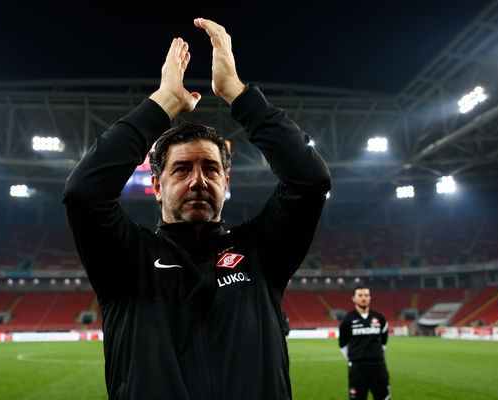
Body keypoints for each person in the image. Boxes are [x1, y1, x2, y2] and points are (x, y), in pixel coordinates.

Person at [63, 17, 331, 399]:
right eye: (182, 169)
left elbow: (310, 179)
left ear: (226, 182)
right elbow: (84, 192)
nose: (198, 181)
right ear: (157, 187)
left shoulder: (261, 251)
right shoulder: (127, 258)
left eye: (211, 168)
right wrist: (164, 103)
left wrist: (237, 93)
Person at [338, 286, 390, 400]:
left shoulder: (380, 318)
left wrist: (375, 354)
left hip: (378, 367)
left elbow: (384, 341)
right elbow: (342, 344)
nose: (364, 298)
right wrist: (355, 359)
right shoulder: (347, 320)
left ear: (370, 297)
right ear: (353, 298)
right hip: (358, 369)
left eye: (366, 295)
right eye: (360, 295)